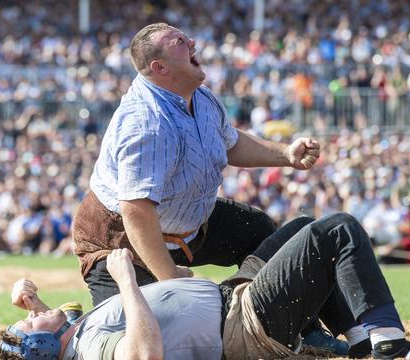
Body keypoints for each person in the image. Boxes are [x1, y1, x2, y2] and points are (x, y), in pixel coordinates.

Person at [73, 22, 321, 305]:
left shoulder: (200, 96)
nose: (192, 41)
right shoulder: (146, 122)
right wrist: (172, 281)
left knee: (258, 231)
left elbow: (230, 142)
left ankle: (298, 326)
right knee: (141, 334)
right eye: (179, 42)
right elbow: (136, 211)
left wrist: (285, 154)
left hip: (190, 227)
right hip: (122, 242)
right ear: (160, 68)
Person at [0, 213, 410, 360]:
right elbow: (144, 353)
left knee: (299, 226)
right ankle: (389, 345)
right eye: (29, 321)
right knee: (336, 232)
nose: (30, 312)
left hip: (233, 296)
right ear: (39, 344)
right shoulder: (95, 349)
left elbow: (71, 321)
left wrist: (35, 300)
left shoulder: (76, 336)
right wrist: (125, 282)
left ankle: (361, 343)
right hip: (243, 325)